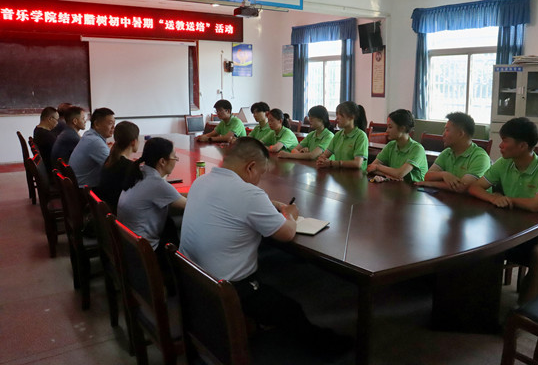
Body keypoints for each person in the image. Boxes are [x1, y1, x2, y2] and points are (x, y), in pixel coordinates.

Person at [179, 137, 351, 358]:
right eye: (260, 173)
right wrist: (290, 214)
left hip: (193, 279)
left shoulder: (201, 181)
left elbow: (237, 202)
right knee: (292, 310)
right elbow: (287, 233)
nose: (259, 180)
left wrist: (268, 204)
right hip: (229, 290)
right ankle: (327, 350)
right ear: (250, 167)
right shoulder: (248, 194)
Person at [468, 117, 538, 305]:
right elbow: (474, 187)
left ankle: (523, 313)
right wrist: (493, 197)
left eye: (505, 141)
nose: (500, 146)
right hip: (512, 227)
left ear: (522, 146)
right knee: (478, 244)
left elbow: (536, 205)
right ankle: (479, 304)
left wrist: (508, 199)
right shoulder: (504, 163)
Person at [118, 137, 186, 254]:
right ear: (162, 161)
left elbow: (170, 195)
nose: (176, 160)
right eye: (174, 157)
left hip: (128, 243)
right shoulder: (157, 184)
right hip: (145, 252)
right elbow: (189, 206)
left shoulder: (140, 172)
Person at [416, 112, 491, 192]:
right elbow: (427, 176)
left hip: (471, 200)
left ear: (460, 134)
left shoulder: (480, 157)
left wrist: (430, 184)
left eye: (447, 130)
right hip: (449, 198)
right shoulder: (447, 152)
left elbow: (462, 187)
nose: (443, 134)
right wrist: (444, 174)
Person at [367, 109, 427, 182]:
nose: (387, 130)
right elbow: (370, 168)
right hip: (396, 186)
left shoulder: (417, 149)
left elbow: (400, 173)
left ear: (402, 128)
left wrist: (378, 167)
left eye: (390, 127)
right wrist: (389, 174)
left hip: (415, 188)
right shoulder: (391, 145)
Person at [94, 121, 140, 212]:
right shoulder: (129, 167)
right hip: (119, 213)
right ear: (133, 142)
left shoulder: (110, 159)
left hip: (106, 212)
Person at [69, 107, 115, 188]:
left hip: (78, 186)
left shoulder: (89, 135)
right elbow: (114, 166)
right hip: (85, 190)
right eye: (110, 123)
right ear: (97, 124)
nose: (113, 127)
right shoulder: (94, 141)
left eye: (114, 124)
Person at [316, 101, 368, 171]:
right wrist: (321, 159)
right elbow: (325, 154)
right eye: (337, 114)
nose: (337, 118)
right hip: (339, 174)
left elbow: (357, 163)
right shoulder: (338, 135)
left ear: (351, 117)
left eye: (341, 114)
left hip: (356, 176)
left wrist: (332, 163)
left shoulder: (361, 136)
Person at [33, 106, 59, 174]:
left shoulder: (37, 130)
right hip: (53, 171)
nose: (57, 123)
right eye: (57, 120)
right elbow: (58, 153)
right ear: (50, 119)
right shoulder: (46, 135)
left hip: (47, 167)